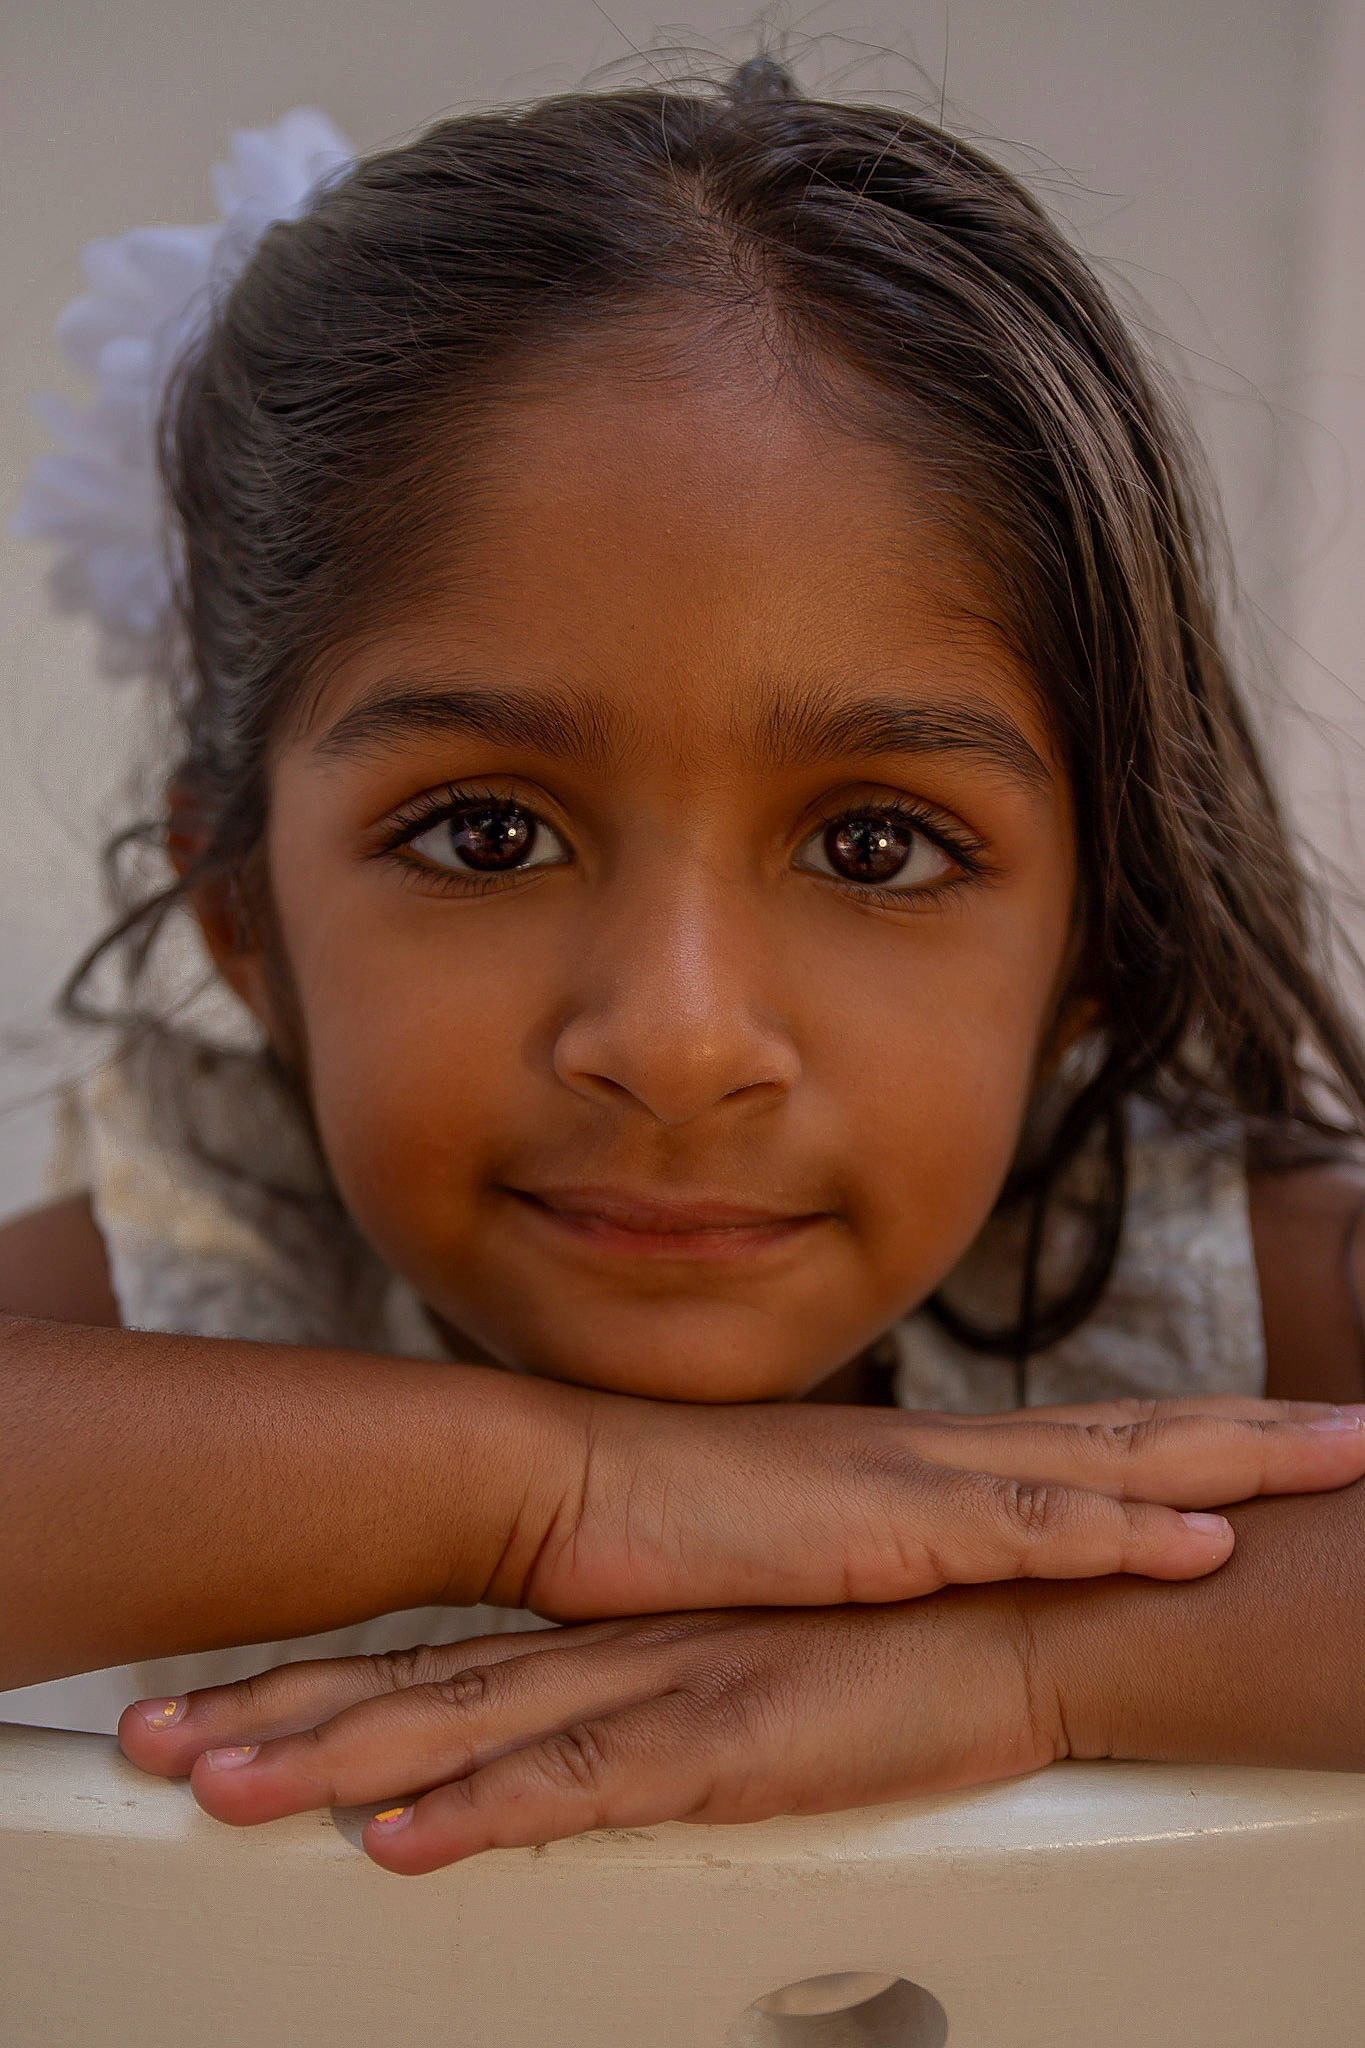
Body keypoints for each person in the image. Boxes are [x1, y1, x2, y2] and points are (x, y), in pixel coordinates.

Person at [3, 56, 1364, 1880]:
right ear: (243, 917)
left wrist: (1036, 1658)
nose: (674, 1035)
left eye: (874, 847)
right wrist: (560, 1493)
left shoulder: (1224, 1303)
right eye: (487, 834)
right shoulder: (185, 1289)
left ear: (1095, 937)